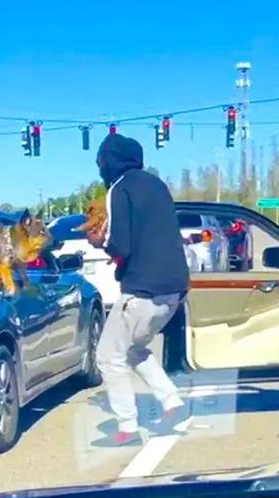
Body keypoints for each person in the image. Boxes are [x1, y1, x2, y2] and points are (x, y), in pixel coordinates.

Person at [87, 133, 191, 446]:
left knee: (108, 356)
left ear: (108, 162)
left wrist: (99, 243)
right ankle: (172, 403)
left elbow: (121, 242)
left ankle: (127, 429)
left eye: (100, 162)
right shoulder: (156, 184)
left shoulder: (119, 189)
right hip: (174, 289)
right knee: (134, 348)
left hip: (143, 290)